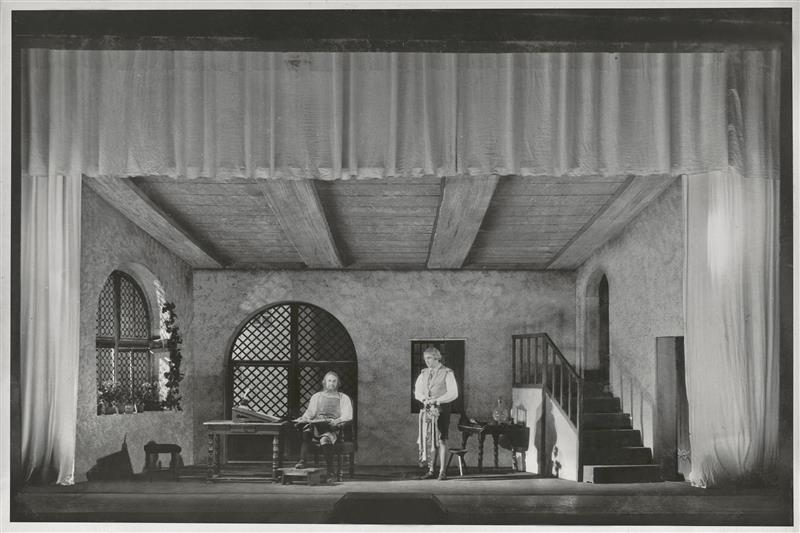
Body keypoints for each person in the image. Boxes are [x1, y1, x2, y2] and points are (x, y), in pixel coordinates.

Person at [293, 371, 353, 478]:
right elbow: (310, 413)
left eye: (334, 381)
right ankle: (303, 461)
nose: (331, 383)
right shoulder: (317, 396)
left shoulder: (343, 398)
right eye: (329, 381)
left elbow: (347, 415)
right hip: (316, 426)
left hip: (332, 428)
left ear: (338, 383)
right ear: (324, 382)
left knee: (324, 439)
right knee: (306, 432)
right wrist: (302, 419)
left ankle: (330, 469)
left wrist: (337, 421)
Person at [414, 346, 458, 480]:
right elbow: (417, 391)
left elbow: (453, 393)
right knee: (429, 439)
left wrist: (437, 400)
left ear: (437, 358)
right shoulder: (424, 373)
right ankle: (431, 470)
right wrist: (424, 399)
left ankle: (442, 472)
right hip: (427, 409)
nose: (426, 361)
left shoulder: (447, 372)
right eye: (425, 358)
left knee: (441, 439)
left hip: (442, 409)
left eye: (429, 358)